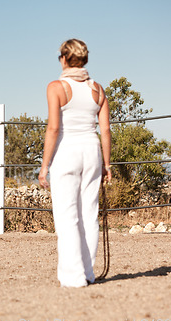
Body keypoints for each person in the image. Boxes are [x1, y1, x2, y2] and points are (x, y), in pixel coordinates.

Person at [38, 39, 112, 288]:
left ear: (63, 58)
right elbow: (106, 130)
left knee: (67, 215)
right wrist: (107, 164)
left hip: (67, 150)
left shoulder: (56, 87)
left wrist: (44, 165)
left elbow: (54, 127)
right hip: (92, 151)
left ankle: (73, 276)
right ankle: (88, 273)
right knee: (89, 214)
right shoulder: (99, 90)